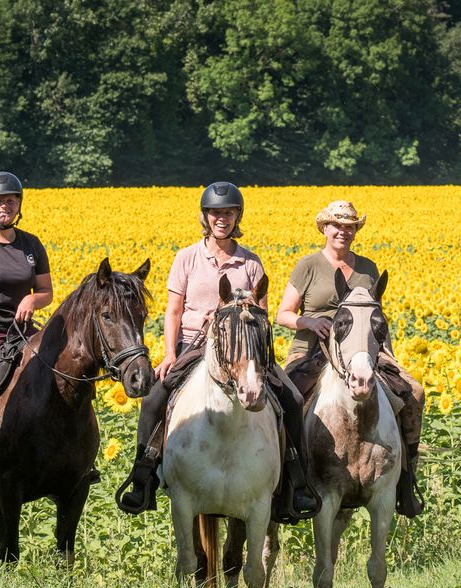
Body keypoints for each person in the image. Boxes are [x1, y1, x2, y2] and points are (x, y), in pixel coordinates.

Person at [114, 182, 320, 522]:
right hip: (196, 344)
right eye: (215, 213)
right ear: (205, 217)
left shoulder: (250, 262)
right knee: (154, 399)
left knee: (293, 400)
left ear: (237, 216)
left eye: (227, 212)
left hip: (243, 349)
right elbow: (174, 311)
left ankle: (297, 480)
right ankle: (144, 474)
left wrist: (240, 318)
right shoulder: (187, 258)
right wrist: (168, 354)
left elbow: (263, 313)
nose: (221, 218)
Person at [276, 201, 426, 517]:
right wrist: (309, 321)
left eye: (350, 226)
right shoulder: (308, 266)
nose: (343, 231)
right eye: (338, 225)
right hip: (311, 350)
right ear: (325, 229)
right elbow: (283, 313)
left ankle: (406, 476)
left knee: (412, 392)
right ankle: (287, 480)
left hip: (361, 351)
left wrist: (389, 354)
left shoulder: (368, 269)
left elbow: (376, 318)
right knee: (284, 398)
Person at [0, 171, 52, 352]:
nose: (4, 206)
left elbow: (46, 291)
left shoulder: (32, 244)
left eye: (10, 201)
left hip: (24, 332)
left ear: (19, 204)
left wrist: (32, 300)